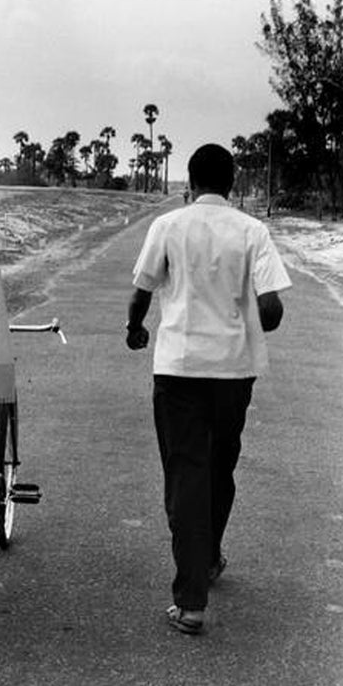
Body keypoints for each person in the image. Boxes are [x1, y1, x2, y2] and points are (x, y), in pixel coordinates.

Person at [125, 143, 291, 635]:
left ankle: (191, 599)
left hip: (179, 369)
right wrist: (249, 321)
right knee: (220, 468)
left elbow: (143, 289)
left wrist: (135, 328)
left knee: (186, 476)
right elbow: (273, 309)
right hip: (234, 375)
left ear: (189, 183)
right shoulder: (252, 230)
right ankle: (209, 557)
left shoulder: (168, 227)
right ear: (233, 184)